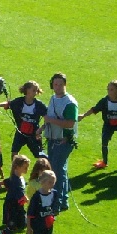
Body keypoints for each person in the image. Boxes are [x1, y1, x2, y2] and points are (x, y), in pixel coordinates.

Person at [43, 73, 78, 210]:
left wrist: (50, 121)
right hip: (52, 139)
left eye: (59, 84)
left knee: (56, 171)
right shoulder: (52, 98)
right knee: (58, 170)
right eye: (55, 84)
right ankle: (63, 201)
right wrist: (41, 129)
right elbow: (49, 117)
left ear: (65, 85)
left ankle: (57, 202)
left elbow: (70, 124)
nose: (57, 87)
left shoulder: (70, 103)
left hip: (63, 141)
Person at [0, 81, 48, 161]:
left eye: (36, 90)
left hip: (33, 134)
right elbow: (8, 104)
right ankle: (14, 170)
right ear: (27, 90)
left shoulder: (39, 105)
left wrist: (40, 130)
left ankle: (49, 167)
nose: (35, 92)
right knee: (14, 152)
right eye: (33, 90)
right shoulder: (19, 102)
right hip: (20, 133)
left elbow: (48, 119)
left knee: (39, 155)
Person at [0, 155, 31, 234]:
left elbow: (7, 182)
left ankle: (6, 233)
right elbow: (20, 196)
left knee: (22, 224)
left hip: (18, 206)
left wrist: (0, 183)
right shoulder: (16, 180)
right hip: (12, 206)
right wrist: (28, 200)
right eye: (25, 167)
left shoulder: (18, 177)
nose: (27, 169)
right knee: (12, 225)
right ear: (17, 167)